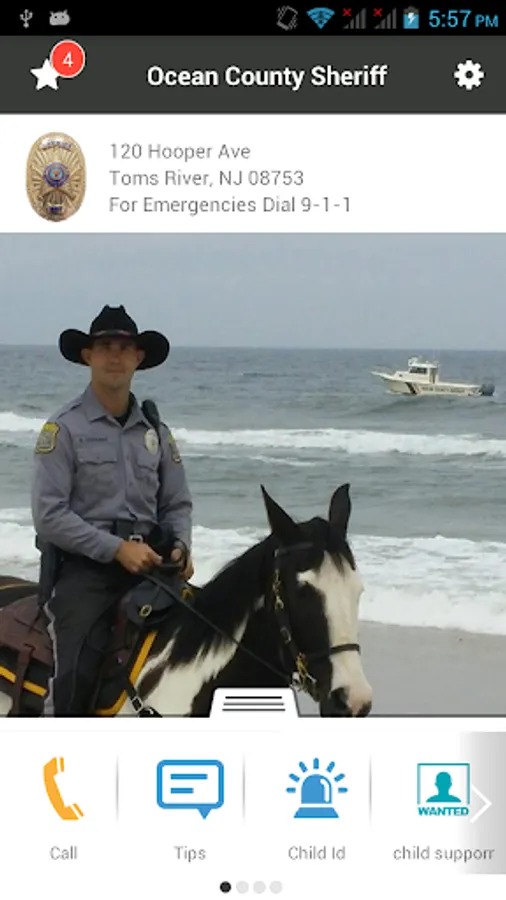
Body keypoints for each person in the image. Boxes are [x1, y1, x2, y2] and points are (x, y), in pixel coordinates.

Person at [31, 304, 193, 716]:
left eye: (124, 348)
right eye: (105, 347)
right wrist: (116, 549)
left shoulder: (157, 432)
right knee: (76, 670)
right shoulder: (63, 428)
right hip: (86, 573)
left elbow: (176, 503)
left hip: (153, 567)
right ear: (88, 356)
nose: (115, 357)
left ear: (139, 357)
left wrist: (181, 546)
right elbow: (49, 515)